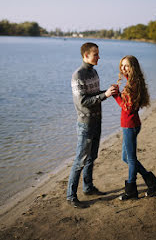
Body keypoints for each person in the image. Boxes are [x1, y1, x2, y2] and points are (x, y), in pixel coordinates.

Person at [66, 42, 117, 208]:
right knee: (80, 159)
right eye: (95, 54)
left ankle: (88, 188)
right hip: (85, 123)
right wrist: (105, 95)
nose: (99, 57)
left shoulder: (93, 72)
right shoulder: (77, 76)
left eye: (98, 54)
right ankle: (71, 196)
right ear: (85, 56)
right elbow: (83, 101)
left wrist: (107, 92)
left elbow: (94, 94)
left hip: (97, 120)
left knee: (92, 157)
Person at [113, 55, 156, 200]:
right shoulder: (133, 82)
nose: (123, 68)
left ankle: (131, 191)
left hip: (130, 125)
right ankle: (151, 181)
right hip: (132, 124)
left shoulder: (131, 85)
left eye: (126, 66)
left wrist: (116, 96)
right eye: (122, 66)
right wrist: (120, 94)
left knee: (131, 159)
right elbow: (131, 105)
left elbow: (127, 108)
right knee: (126, 157)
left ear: (133, 67)